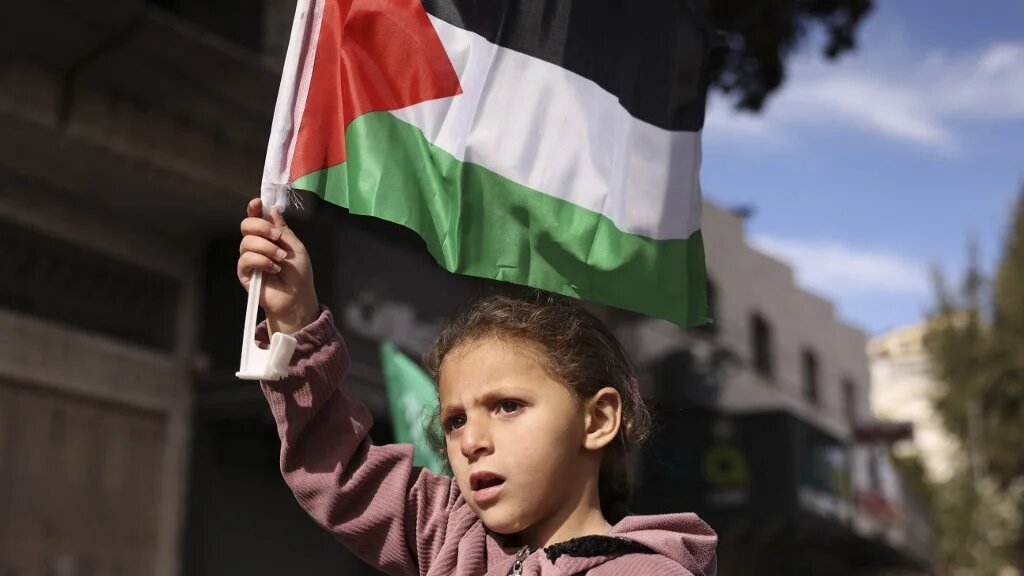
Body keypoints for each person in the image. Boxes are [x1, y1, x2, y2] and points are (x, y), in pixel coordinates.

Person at [237, 198, 717, 575]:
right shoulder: (451, 536)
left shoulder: (646, 570)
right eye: (455, 420)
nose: (470, 442)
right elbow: (341, 469)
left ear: (598, 419)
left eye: (508, 406)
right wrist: (295, 320)